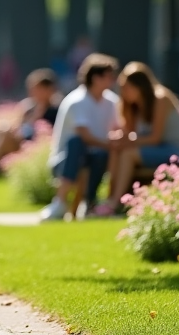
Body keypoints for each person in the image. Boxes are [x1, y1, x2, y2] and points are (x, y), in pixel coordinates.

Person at [92, 62, 179, 216]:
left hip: (174, 150)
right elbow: (132, 135)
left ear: (139, 86)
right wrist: (120, 139)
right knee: (118, 149)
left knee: (128, 153)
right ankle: (109, 197)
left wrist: (128, 141)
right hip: (153, 149)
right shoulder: (133, 107)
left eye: (126, 87)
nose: (123, 92)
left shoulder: (160, 98)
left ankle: (114, 203)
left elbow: (155, 138)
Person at [41, 53, 120, 221]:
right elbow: (85, 136)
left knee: (100, 155)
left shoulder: (112, 102)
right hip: (65, 161)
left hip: (97, 157)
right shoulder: (77, 101)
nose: (112, 81)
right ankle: (60, 201)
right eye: (108, 76)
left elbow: (118, 128)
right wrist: (110, 144)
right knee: (76, 143)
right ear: (96, 78)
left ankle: (90, 204)